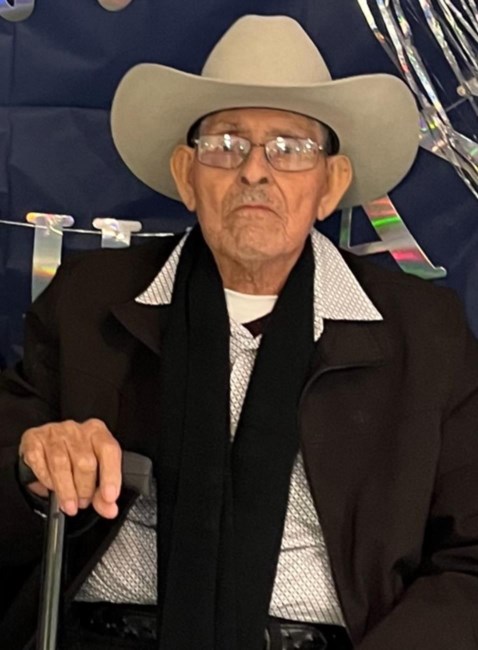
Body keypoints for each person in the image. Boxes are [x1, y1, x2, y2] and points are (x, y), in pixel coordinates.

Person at [1, 13, 478, 650]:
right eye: (226, 144)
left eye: (290, 147)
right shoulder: (88, 301)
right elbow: (8, 483)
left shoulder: (423, 334)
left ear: (331, 184)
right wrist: (33, 472)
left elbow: (470, 558)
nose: (255, 171)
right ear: (186, 175)